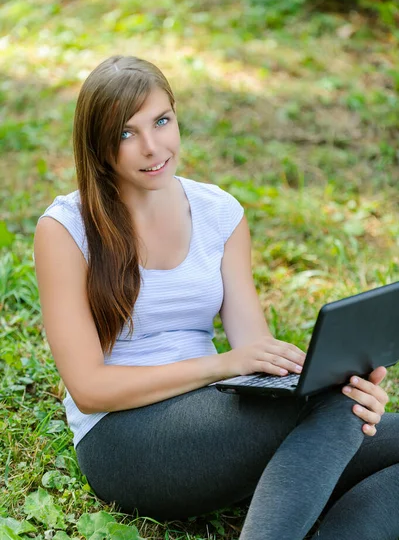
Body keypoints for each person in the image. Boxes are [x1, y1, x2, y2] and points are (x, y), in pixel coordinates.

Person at [34, 55, 399, 540]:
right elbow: (90, 388)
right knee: (335, 405)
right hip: (124, 440)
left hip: (216, 423)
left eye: (162, 121)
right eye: (127, 134)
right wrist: (222, 365)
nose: (152, 146)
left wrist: (346, 381)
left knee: (347, 403)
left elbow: (254, 349)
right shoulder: (66, 229)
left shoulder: (218, 212)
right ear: (99, 146)